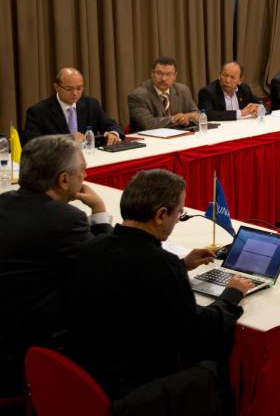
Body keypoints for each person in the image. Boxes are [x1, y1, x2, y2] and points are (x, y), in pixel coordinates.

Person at [64, 169, 253, 409]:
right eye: (180, 213)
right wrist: (232, 294)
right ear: (161, 214)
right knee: (213, 368)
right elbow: (198, 330)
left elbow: (129, 275)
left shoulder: (91, 246)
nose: (177, 219)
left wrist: (183, 264)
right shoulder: (161, 264)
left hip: (85, 370)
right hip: (131, 389)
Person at [0, 135, 112, 398]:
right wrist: (99, 209)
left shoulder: (3, 202)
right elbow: (107, 266)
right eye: (82, 170)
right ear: (63, 180)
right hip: (30, 352)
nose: (85, 175)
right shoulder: (65, 219)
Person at [22, 67, 123, 146]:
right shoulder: (39, 111)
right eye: (69, 89)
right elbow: (31, 143)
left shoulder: (91, 104)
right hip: (58, 162)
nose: (75, 93)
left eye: (79, 88)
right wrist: (69, 138)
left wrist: (113, 134)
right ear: (57, 87)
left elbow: (111, 125)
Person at [127, 56, 199, 132]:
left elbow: (197, 115)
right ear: (152, 73)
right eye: (159, 73)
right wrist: (176, 119)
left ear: (175, 76)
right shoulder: (138, 95)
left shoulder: (183, 90)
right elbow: (148, 124)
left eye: (169, 74)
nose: (163, 79)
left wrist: (187, 118)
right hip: (149, 140)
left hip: (178, 137)